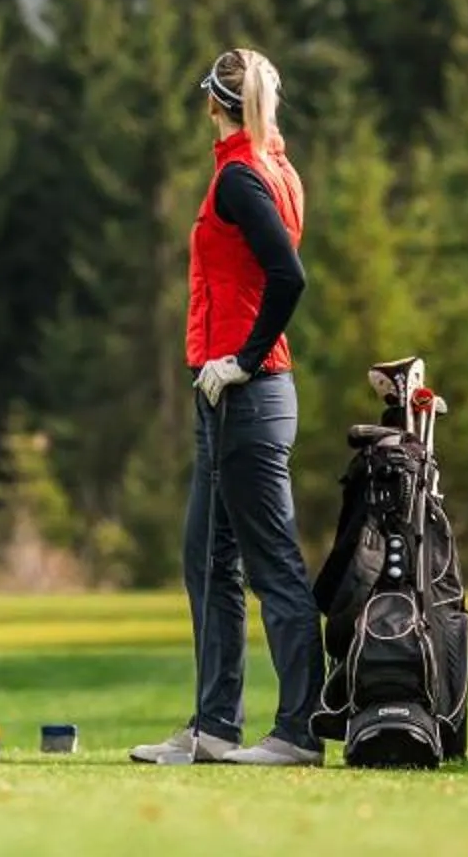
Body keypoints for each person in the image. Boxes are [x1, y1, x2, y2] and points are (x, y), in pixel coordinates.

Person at [132, 46, 325, 768]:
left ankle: (298, 733)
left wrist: (242, 358)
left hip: (246, 392)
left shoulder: (243, 177)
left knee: (272, 567)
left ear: (213, 104)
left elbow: (287, 276)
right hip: (229, 396)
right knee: (209, 563)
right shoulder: (274, 166)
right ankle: (214, 726)